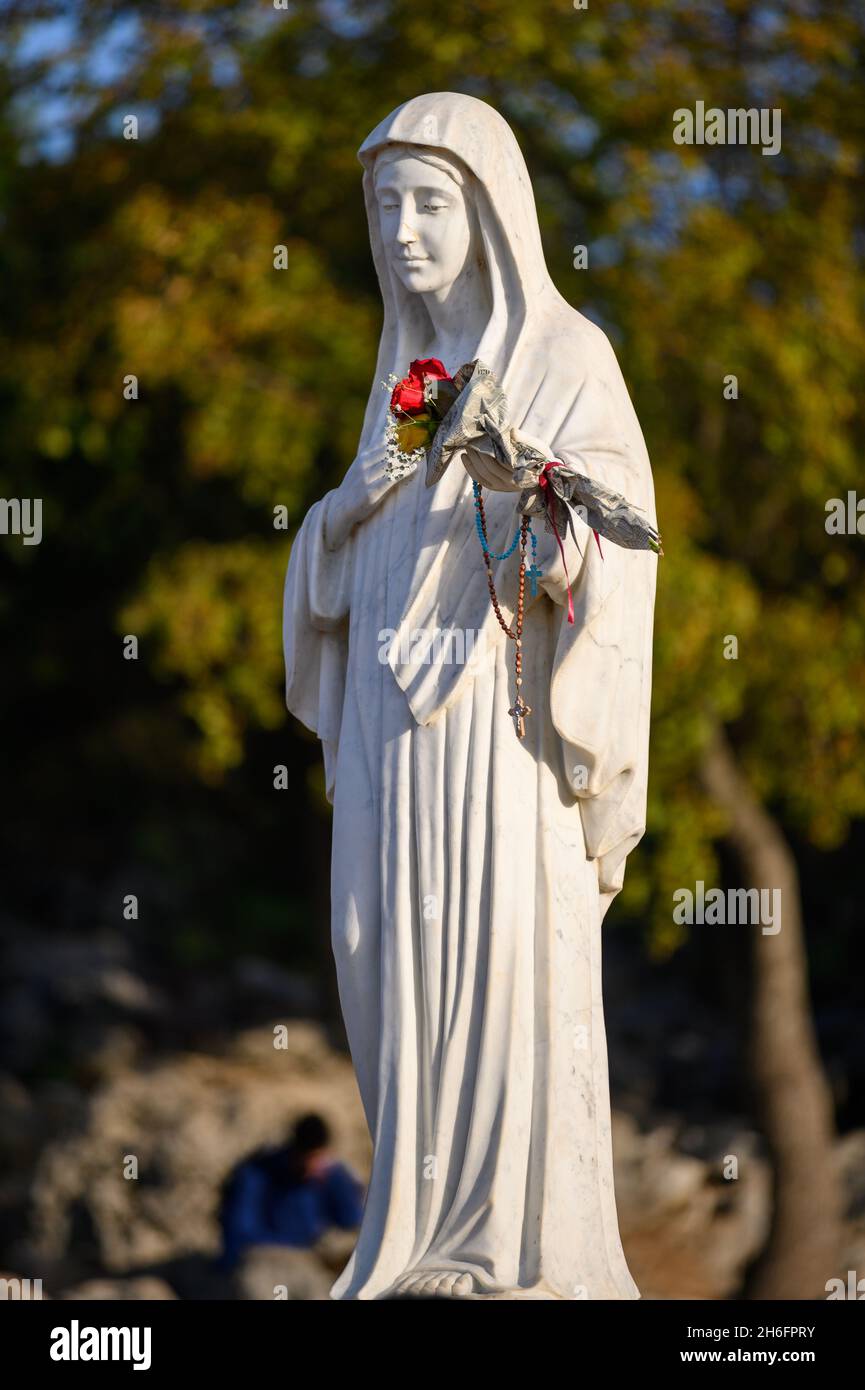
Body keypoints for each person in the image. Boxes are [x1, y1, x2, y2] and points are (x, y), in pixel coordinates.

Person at [283, 92, 658, 1299]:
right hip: (391, 727)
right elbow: (348, 554)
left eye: (429, 202)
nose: (401, 229)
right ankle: (413, 1225)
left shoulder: (566, 358)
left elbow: (621, 541)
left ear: (490, 213)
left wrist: (538, 506)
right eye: (385, 204)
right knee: (378, 951)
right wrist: (335, 524)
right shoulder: (398, 380)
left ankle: (497, 1243)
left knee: (494, 954)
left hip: (500, 725)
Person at [217, 1113, 364, 1274]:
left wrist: (339, 1183)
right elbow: (239, 1233)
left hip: (312, 1265)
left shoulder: (331, 1175)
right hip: (264, 1263)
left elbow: (353, 1223)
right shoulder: (258, 1174)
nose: (315, 1165)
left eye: (320, 1158)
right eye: (310, 1158)